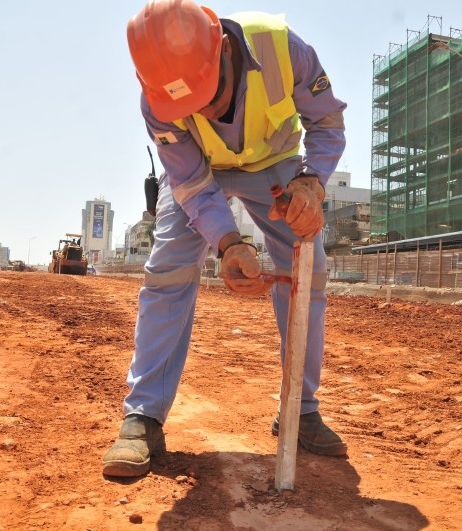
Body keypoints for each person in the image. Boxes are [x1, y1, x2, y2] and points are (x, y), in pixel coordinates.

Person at [103, 0, 347, 477]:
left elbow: (327, 123)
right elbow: (191, 184)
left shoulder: (285, 52)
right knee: (167, 272)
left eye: (208, 97)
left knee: (309, 272)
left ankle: (300, 407)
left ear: (224, 51)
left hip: (275, 166)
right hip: (201, 172)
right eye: (187, 105)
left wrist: (311, 181)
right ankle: (143, 417)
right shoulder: (157, 98)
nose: (203, 113)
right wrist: (229, 243)